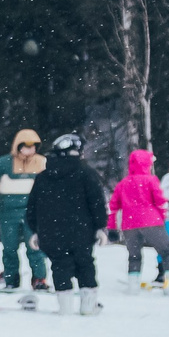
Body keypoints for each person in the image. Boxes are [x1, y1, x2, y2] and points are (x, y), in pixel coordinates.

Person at [27, 130, 109, 314]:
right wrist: (100, 226)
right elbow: (96, 202)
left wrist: (35, 229)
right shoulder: (86, 173)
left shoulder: (42, 176)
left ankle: (64, 306)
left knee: (59, 265)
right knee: (85, 263)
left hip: (51, 231)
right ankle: (88, 306)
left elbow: (32, 206)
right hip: (82, 231)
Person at [0, 129, 50, 294]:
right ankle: (11, 280)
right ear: (18, 146)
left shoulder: (42, 162)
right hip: (8, 212)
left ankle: (39, 279)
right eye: (26, 145)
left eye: (33, 146)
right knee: (9, 247)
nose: (30, 149)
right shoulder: (3, 163)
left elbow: (51, 187)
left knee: (35, 246)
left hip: (33, 211)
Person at [107, 148, 169, 288]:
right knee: (167, 252)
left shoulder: (123, 183)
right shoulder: (150, 180)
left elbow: (113, 207)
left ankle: (133, 286)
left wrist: (112, 228)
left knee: (134, 256)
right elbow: (160, 202)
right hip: (151, 222)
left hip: (129, 225)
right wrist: (162, 218)